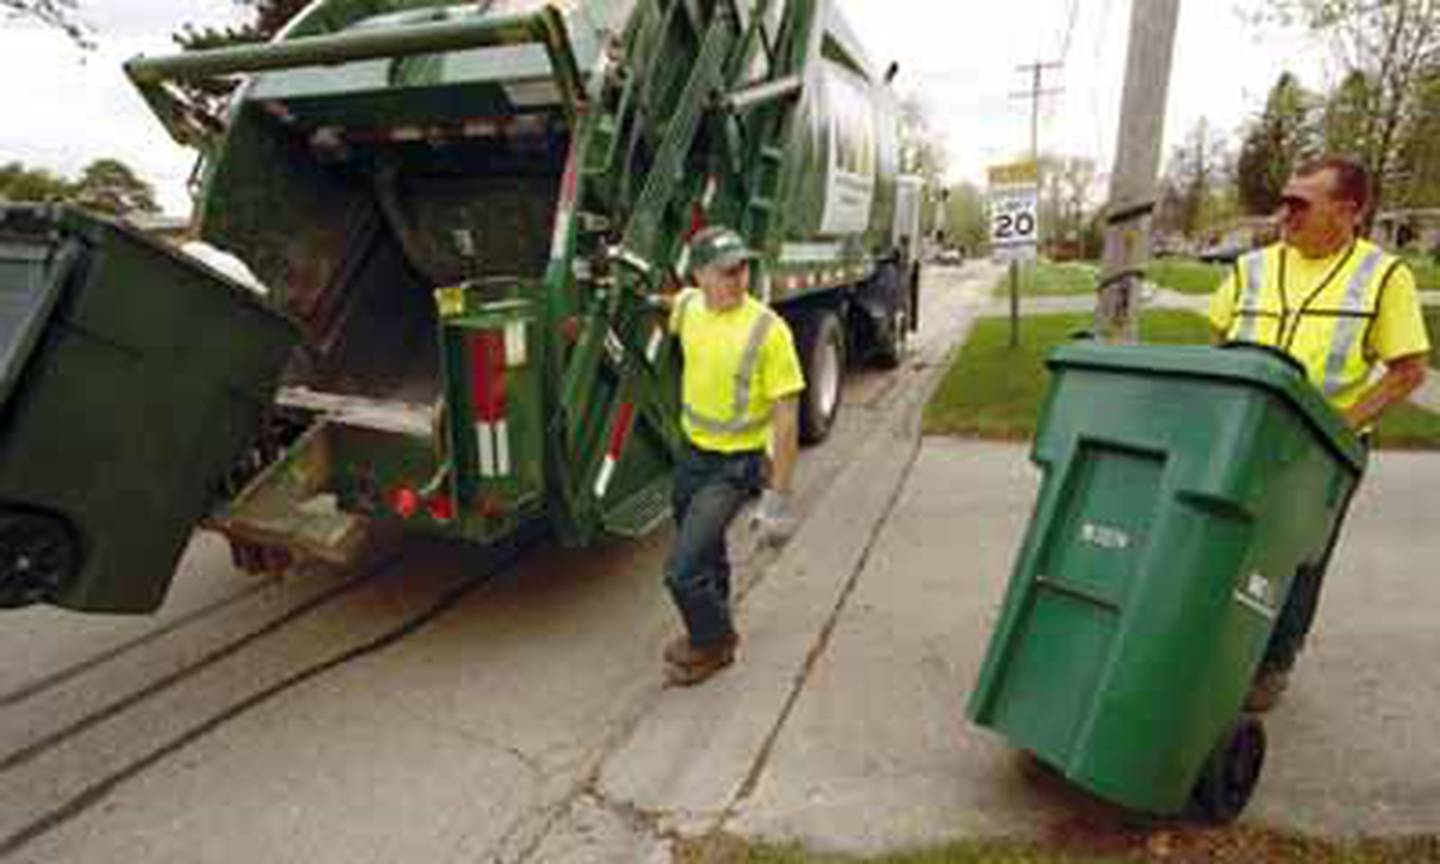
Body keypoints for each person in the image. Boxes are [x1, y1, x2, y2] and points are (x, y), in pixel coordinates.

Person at [1208, 155, 1430, 711]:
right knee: (1223, 541)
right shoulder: (1252, 267)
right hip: (1246, 435)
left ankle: (1273, 663)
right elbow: (1218, 345)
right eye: (1285, 199)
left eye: (1300, 203)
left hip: (1322, 452)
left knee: (1298, 558)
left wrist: (1336, 428)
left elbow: (1409, 370)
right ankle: (1216, 644)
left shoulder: (1383, 276)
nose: (1285, 213)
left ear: (1347, 211)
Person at [661, 226, 805, 687]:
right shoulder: (690, 308)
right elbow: (670, 303)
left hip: (734, 466)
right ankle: (716, 614)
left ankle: (716, 640)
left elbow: (786, 418)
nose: (739, 277)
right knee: (704, 549)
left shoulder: (768, 330)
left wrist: (778, 499)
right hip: (692, 457)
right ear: (699, 275)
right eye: (726, 271)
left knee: (681, 572)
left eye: (743, 267)